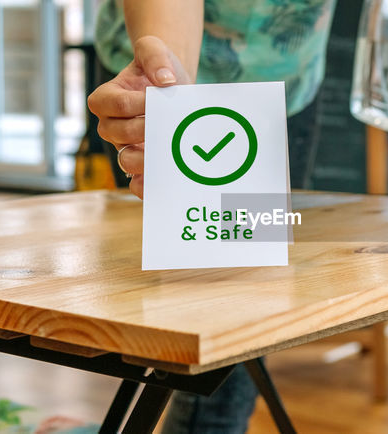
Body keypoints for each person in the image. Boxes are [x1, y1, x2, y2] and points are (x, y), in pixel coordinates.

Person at [87, 0, 337, 432]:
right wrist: (170, 91)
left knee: (247, 311)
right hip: (151, 88)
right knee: (188, 303)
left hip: (282, 87)